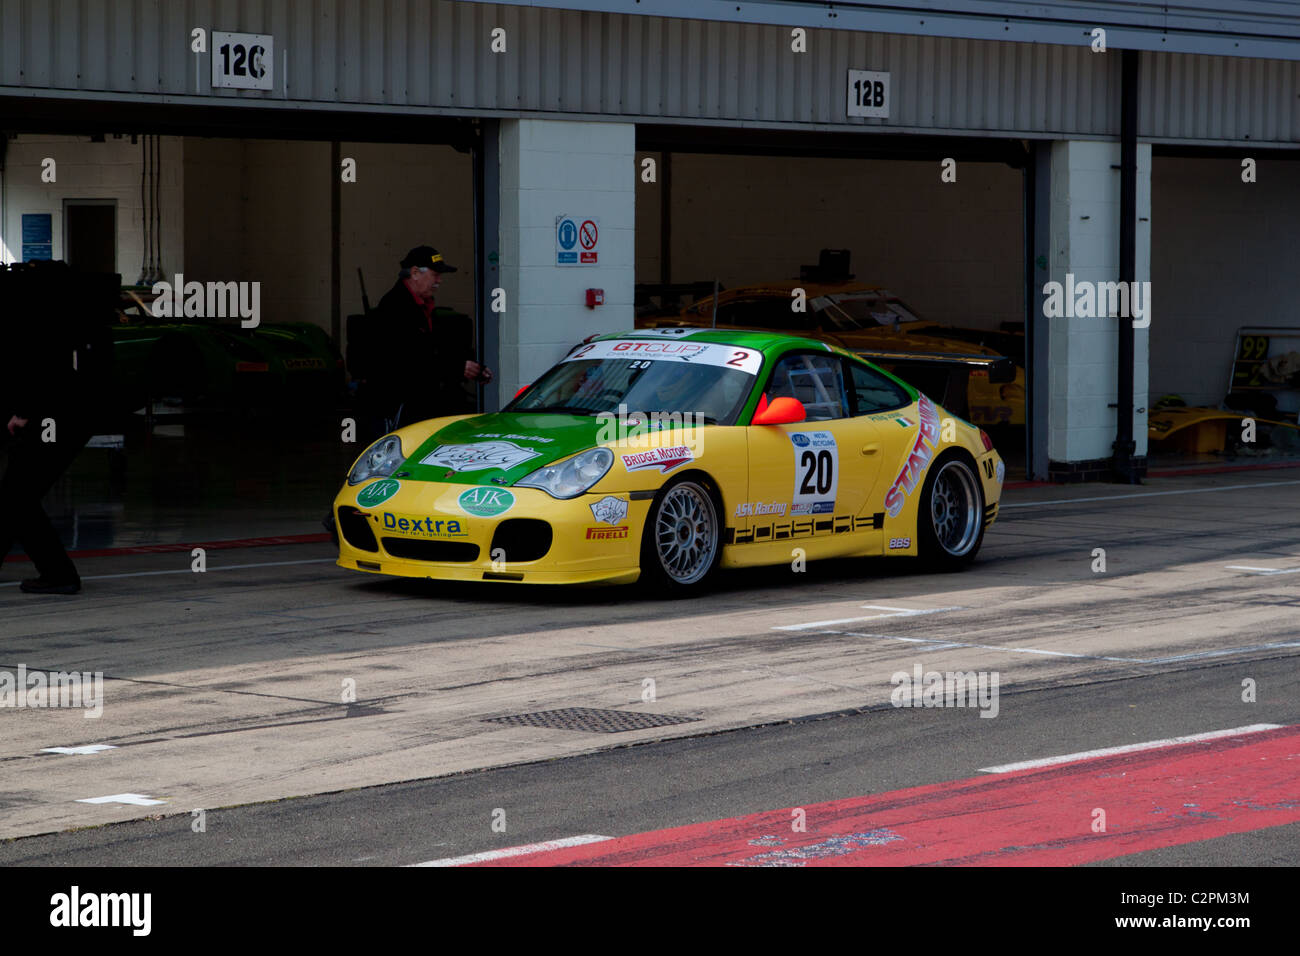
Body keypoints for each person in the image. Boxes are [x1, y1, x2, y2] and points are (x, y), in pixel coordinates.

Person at [0, 261, 113, 595]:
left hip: (54, 418)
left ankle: (59, 574)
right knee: (17, 496)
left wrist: (24, 412)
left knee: (17, 496)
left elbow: (43, 372)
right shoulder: (74, 319)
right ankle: (57, 572)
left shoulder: (39, 320)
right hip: (70, 416)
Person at [354, 245, 492, 444]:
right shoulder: (395, 308)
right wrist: (457, 368)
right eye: (435, 275)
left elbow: (434, 350)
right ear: (415, 273)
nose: (439, 281)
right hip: (397, 411)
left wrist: (471, 367)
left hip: (419, 408)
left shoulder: (424, 306)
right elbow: (409, 362)